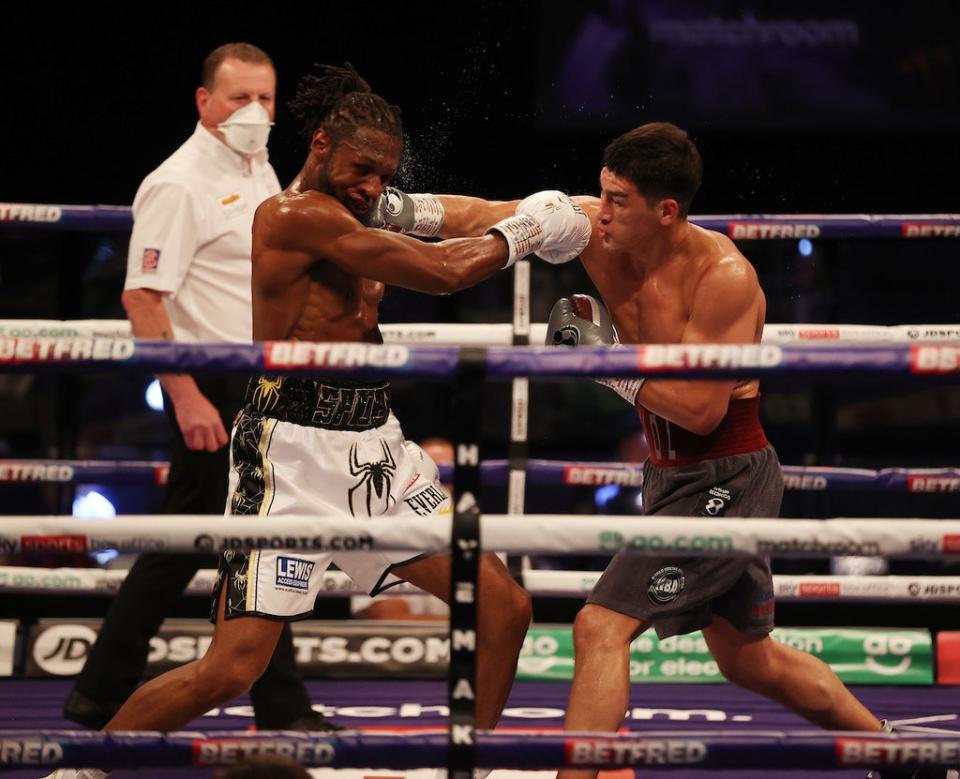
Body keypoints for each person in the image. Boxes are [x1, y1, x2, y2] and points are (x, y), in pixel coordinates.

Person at [45, 63, 590, 778]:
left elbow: (454, 212)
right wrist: (525, 231)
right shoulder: (294, 214)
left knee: (504, 605)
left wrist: (558, 205)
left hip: (374, 447)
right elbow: (446, 268)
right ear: (323, 142)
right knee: (231, 668)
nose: (373, 186)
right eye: (362, 168)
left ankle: (465, 768)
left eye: (383, 174)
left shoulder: (363, 198)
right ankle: (80, 770)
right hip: (290, 451)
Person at [373, 122, 938, 779]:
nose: (599, 210)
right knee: (749, 658)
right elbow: (491, 214)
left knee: (599, 626)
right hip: (669, 474)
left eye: (618, 200)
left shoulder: (723, 275)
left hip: (727, 477)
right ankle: (898, 752)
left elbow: (702, 409)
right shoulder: (596, 229)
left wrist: (601, 360)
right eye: (601, 192)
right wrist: (394, 208)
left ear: (666, 211)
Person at [63, 42, 332, 734]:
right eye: (240, 97)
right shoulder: (178, 182)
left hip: (258, 376)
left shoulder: (258, 166)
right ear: (203, 101)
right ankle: (102, 694)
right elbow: (143, 299)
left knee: (249, 538)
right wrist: (185, 396)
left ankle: (268, 702)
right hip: (213, 377)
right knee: (200, 542)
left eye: (266, 98)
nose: (255, 111)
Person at [350, 437, 452, 620]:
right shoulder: (376, 527)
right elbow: (389, 616)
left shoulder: (478, 531)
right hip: (401, 644)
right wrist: (464, 627)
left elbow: (494, 613)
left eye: (449, 476)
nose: (442, 486)